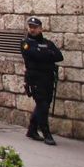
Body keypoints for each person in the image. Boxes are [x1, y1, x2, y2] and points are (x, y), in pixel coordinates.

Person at [20, 16, 64, 144]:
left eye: (35, 27)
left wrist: (43, 54)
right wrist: (47, 54)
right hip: (34, 78)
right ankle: (46, 133)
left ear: (40, 28)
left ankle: (32, 129)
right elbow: (34, 55)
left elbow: (59, 56)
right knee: (42, 104)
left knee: (44, 104)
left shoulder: (47, 43)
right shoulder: (26, 43)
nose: (32, 29)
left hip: (48, 78)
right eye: (30, 27)